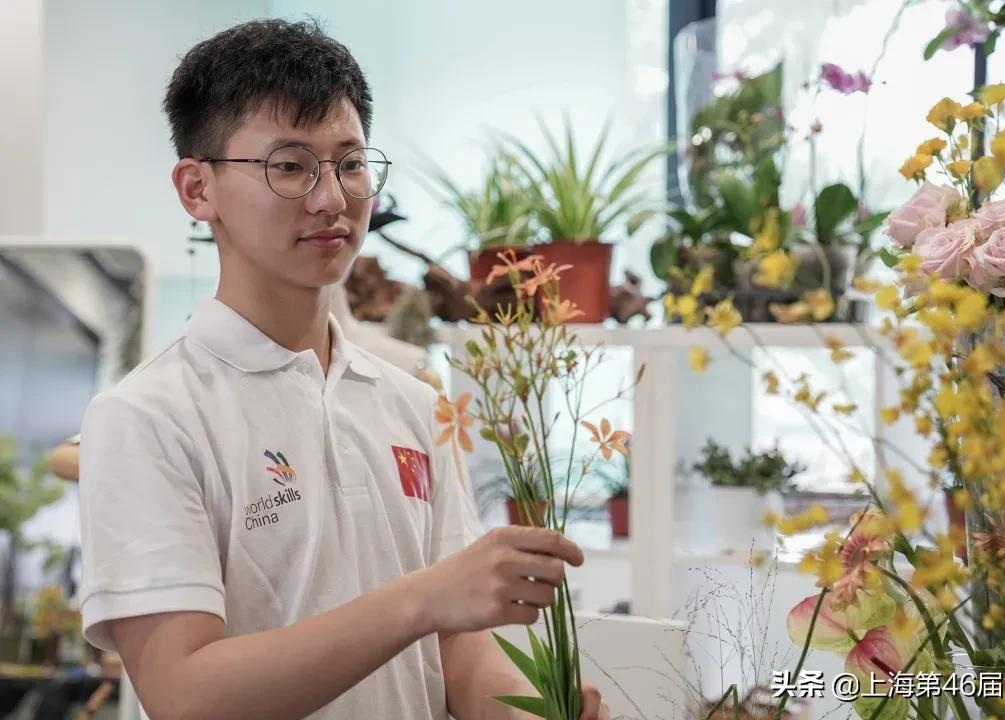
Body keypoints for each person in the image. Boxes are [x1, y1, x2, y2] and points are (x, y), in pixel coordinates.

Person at [76, 19, 608, 720]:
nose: (331, 199)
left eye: (350, 164)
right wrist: (419, 600)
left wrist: (522, 708)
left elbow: (453, 650)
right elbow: (185, 693)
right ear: (197, 189)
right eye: (290, 166)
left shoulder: (410, 403)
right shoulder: (148, 417)